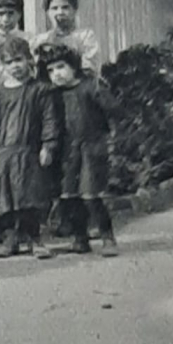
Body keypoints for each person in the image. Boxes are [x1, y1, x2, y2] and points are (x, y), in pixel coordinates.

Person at [0, 37, 59, 259]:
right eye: (8, 62)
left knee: (30, 197)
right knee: (6, 198)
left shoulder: (41, 90)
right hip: (5, 153)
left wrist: (48, 145)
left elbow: (49, 119)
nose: (14, 66)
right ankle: (10, 239)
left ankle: (35, 239)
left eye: (18, 60)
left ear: (29, 60)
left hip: (29, 151)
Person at [39, 43, 118, 257]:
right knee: (68, 196)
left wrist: (111, 139)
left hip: (91, 147)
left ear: (74, 66)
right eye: (51, 70)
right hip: (66, 151)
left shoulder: (90, 86)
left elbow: (113, 110)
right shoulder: (53, 95)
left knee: (91, 195)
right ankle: (79, 238)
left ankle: (107, 236)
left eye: (61, 67)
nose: (57, 74)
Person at [33, 0, 100, 76]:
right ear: (47, 12)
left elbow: (89, 69)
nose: (60, 12)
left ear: (74, 10)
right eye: (54, 8)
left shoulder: (85, 37)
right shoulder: (40, 40)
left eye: (65, 7)